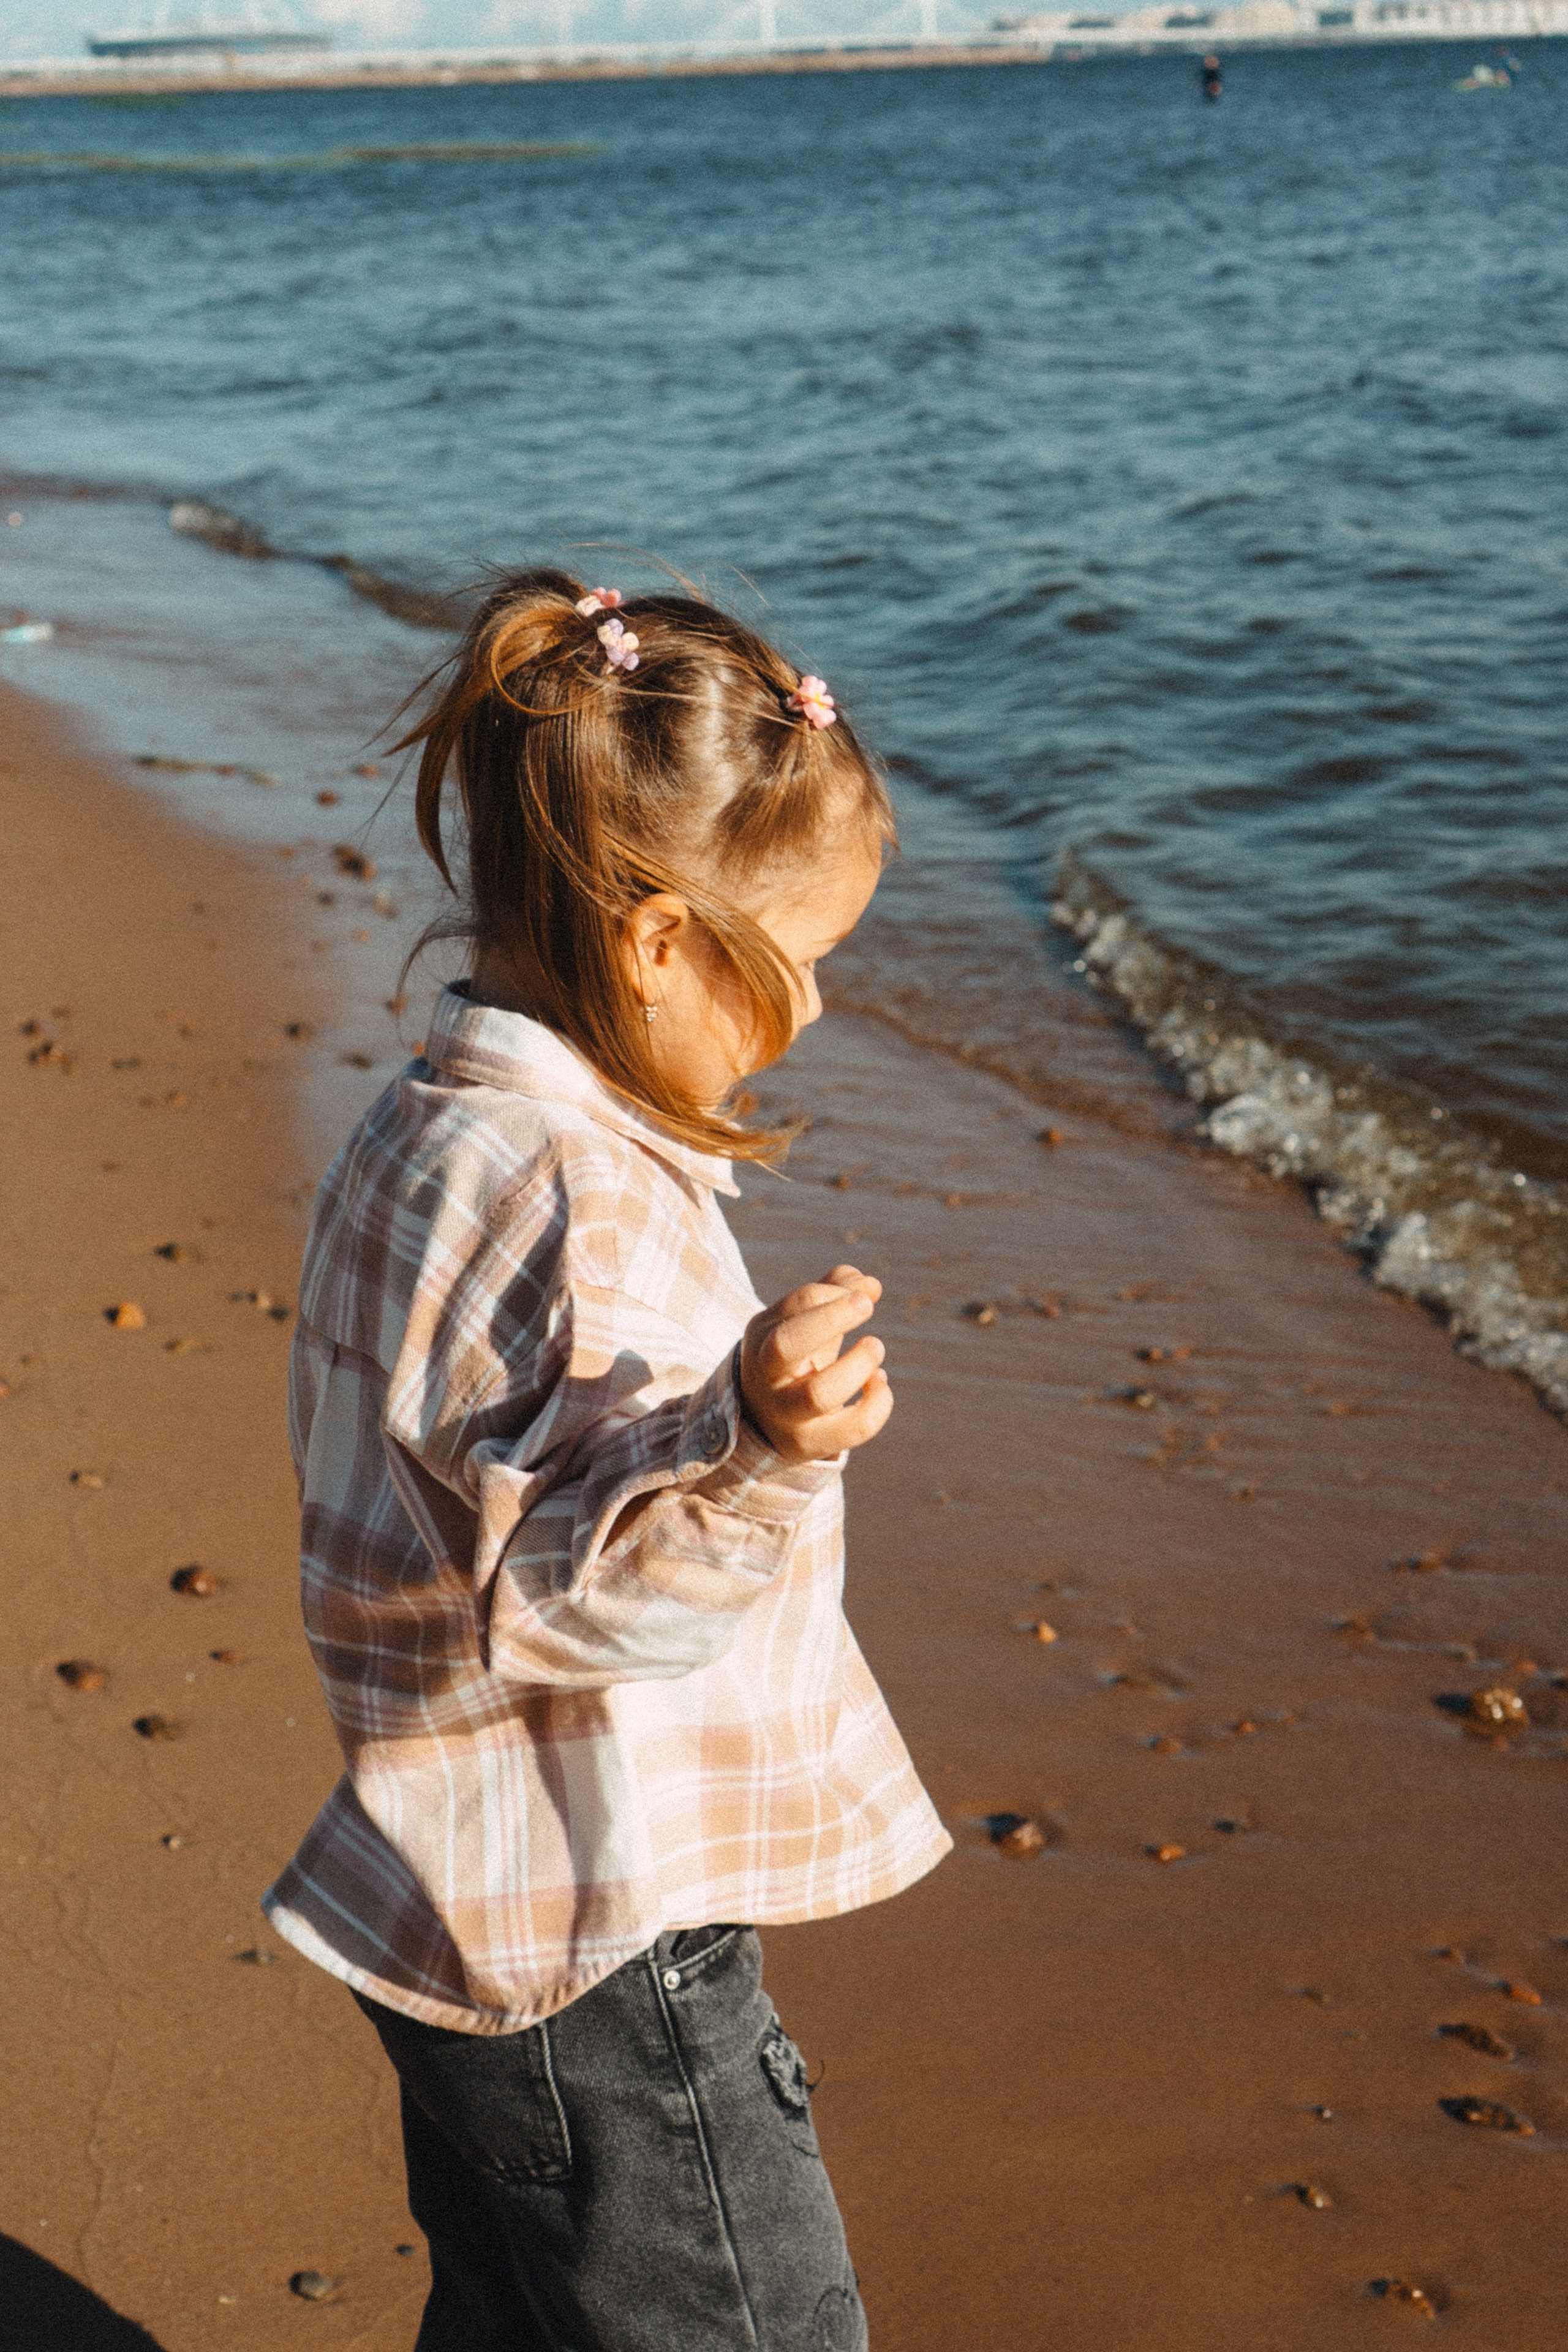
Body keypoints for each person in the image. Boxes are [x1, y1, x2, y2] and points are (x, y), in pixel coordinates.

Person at [262, 570, 951, 2351]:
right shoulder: (590, 1206)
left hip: (453, 1889)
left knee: (510, 2314)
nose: (809, 1019)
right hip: (603, 1942)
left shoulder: (424, 1127)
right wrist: (764, 1449)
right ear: (659, 945)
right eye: (801, 973)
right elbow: (568, 1606)